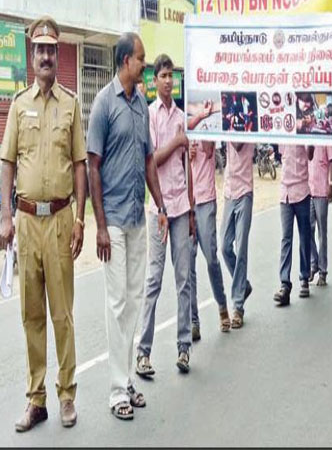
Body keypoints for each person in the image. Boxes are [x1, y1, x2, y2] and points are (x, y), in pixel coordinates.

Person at [0, 16, 88, 432]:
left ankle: (67, 393)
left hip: (60, 220)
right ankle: (36, 400)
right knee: (30, 314)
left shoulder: (70, 104)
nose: (47, 56)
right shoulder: (19, 105)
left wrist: (81, 218)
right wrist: (4, 217)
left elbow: (81, 164)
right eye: (40, 49)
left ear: (58, 54)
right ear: (31, 55)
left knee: (62, 314)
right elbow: (7, 164)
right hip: (26, 222)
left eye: (52, 49)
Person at [86, 32, 169, 421]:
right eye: (140, 59)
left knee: (133, 298)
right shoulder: (105, 104)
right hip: (114, 222)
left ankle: (126, 379)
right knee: (116, 301)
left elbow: (150, 160)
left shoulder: (141, 106)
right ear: (124, 62)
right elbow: (92, 167)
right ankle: (117, 389)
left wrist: (162, 205)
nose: (145, 65)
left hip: (138, 216)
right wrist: (100, 226)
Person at [136, 54, 196, 378]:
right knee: (153, 280)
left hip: (181, 208)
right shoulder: (150, 117)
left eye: (172, 75)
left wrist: (192, 209)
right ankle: (143, 352)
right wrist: (176, 141)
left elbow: (188, 167)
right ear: (154, 81)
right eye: (163, 75)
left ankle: (184, 347)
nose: (169, 81)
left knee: (184, 280)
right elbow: (152, 160)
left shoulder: (182, 116)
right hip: (158, 209)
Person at [188, 103, 231, 339]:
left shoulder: (208, 127)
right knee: (189, 263)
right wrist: (186, 152)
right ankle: (194, 321)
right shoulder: (184, 121)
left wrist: (204, 118)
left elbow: (207, 147)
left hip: (205, 199)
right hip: (187, 201)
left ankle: (222, 305)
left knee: (211, 259)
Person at [274, 143, 316, 305]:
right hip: (285, 191)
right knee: (286, 238)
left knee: (304, 236)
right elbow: (281, 155)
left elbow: (310, 154)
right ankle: (285, 283)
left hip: (301, 190)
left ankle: (304, 277)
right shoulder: (283, 129)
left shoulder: (303, 127)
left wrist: (311, 143)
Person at [221, 141, 255, 328]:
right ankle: (243, 285)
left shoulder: (248, 123)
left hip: (245, 190)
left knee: (241, 248)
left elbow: (238, 144)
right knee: (225, 247)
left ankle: (238, 307)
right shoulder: (227, 120)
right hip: (229, 189)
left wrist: (228, 126)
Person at [308, 144, 332, 286]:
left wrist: (331, 184)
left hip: (321, 190)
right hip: (309, 190)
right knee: (308, 230)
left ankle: (323, 271)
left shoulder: (325, 136)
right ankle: (314, 263)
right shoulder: (306, 135)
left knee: (321, 233)